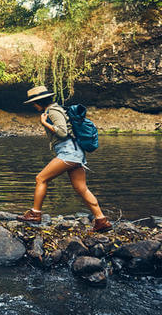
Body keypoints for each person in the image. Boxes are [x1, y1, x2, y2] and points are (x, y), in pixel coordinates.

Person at [17, 85, 112, 233]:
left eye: (34, 103)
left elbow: (62, 132)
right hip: (75, 152)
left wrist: (45, 123)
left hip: (69, 153)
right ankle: (101, 220)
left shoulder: (53, 111)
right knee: (81, 188)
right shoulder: (56, 109)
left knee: (41, 178)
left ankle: (35, 214)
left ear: (41, 101)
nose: (34, 105)